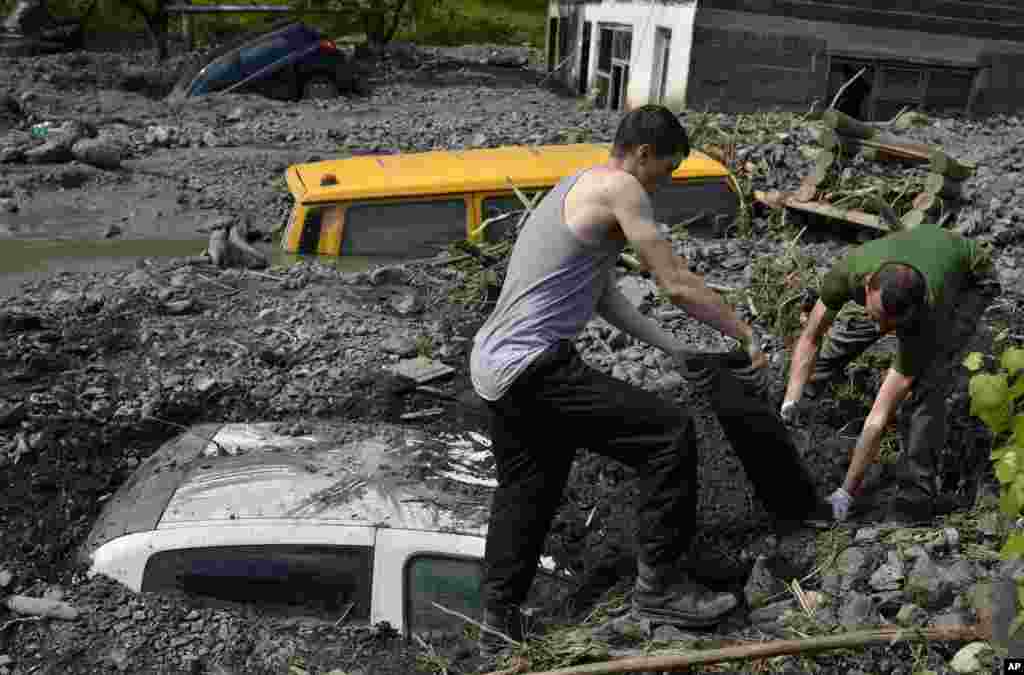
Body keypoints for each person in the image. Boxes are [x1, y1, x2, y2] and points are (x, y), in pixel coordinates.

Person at [469, 105, 770, 656]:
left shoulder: (577, 184)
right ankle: (658, 588)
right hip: (533, 363)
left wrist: (674, 347)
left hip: (495, 365)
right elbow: (676, 283)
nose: (668, 181)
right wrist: (744, 334)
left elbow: (601, 295)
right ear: (643, 154)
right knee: (668, 434)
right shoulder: (622, 189)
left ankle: (496, 622)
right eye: (669, 169)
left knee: (529, 489)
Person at [780, 223, 997, 524]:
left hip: (976, 277)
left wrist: (846, 494)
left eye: (892, 326)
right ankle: (796, 410)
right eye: (881, 318)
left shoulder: (926, 318)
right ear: (868, 285)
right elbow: (811, 337)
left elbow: (879, 415)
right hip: (922, 252)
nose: (883, 332)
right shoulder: (849, 270)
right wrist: (791, 399)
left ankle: (916, 497)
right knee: (851, 333)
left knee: (928, 384)